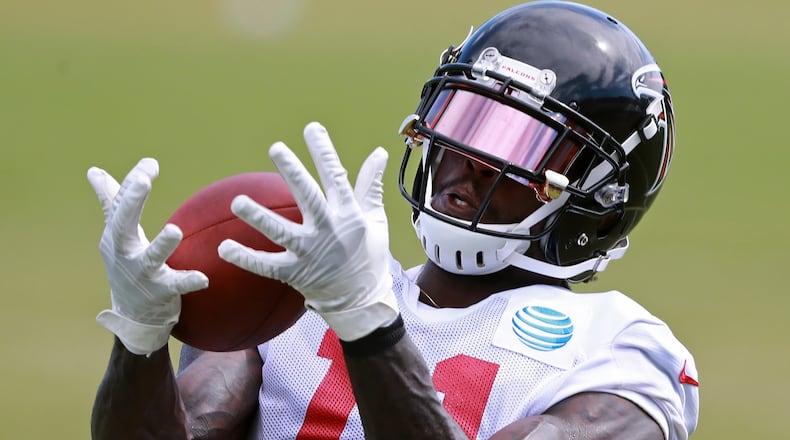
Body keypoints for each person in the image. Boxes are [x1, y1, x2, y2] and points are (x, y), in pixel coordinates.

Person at [88, 2, 699, 439]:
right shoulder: (298, 286)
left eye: (520, 146)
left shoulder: (618, 352)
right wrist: (139, 342)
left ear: (601, 197)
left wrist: (368, 326)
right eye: (464, 122)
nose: (470, 161)